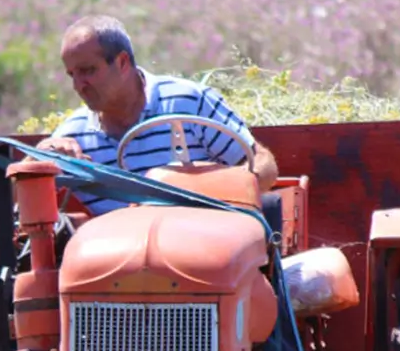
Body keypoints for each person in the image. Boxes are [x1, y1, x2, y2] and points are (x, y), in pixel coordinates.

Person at [38, 15, 278, 215]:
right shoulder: (73, 138)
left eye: (88, 71)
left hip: (211, 251)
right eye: (72, 75)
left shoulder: (189, 102)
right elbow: (15, 202)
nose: (78, 85)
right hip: (120, 263)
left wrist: (216, 196)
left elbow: (263, 165)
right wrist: (38, 160)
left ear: (122, 62)